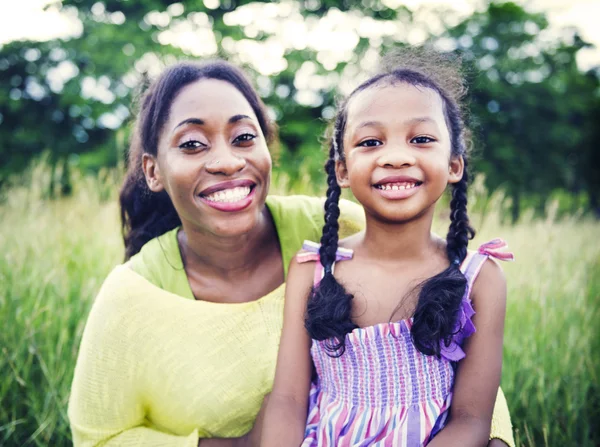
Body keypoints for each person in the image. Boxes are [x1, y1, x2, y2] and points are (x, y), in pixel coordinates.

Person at [68, 59, 513, 447]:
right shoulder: (315, 264)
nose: (225, 161)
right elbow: (100, 439)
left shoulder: (341, 226)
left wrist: (493, 436)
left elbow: (470, 387)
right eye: (192, 144)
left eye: (243, 137)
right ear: (153, 170)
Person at [262, 48, 515, 447]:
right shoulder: (313, 270)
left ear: (454, 164)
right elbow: (288, 401)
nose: (396, 157)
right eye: (370, 142)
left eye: (421, 139)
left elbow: (471, 420)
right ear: (342, 169)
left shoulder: (479, 278)